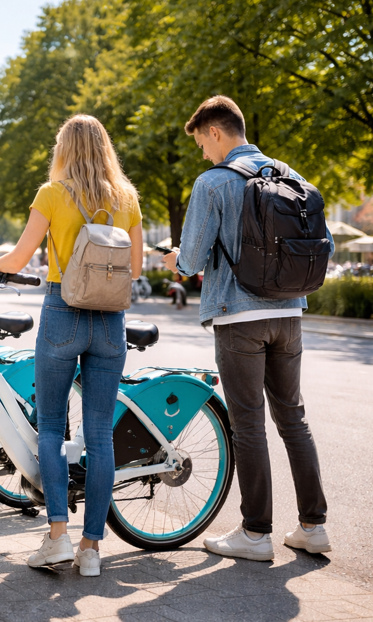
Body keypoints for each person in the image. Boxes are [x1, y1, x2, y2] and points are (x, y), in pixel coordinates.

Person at [0, 115, 143, 576]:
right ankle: (91, 550)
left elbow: (20, 257)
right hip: (110, 322)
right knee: (99, 434)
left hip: (63, 312)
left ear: (64, 148)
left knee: (51, 427)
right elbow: (136, 269)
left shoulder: (52, 194)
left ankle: (57, 536)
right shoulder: (127, 198)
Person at [163, 95, 333, 561]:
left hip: (239, 317)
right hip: (289, 313)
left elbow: (193, 260)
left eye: (201, 142)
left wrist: (175, 260)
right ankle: (313, 527)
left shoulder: (213, 182)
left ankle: (256, 534)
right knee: (293, 419)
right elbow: (325, 244)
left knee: (248, 426)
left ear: (216, 132)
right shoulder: (292, 176)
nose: (202, 152)